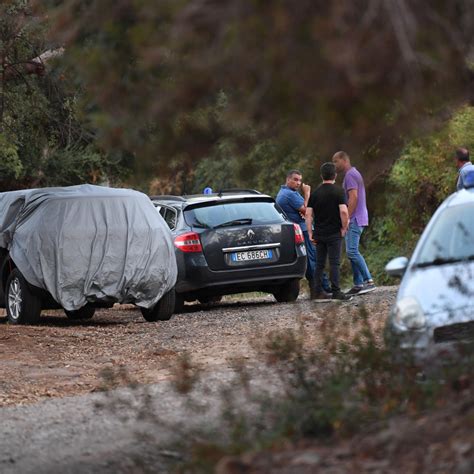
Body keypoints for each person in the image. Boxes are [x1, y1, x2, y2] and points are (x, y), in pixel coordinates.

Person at [276, 169, 330, 292]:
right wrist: (307, 194)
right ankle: (319, 290)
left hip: (300, 230)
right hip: (303, 231)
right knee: (313, 260)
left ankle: (322, 288)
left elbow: (305, 211)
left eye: (300, 180)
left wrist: (305, 211)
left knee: (313, 259)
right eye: (295, 180)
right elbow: (308, 211)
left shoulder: (286, 192)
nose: (298, 183)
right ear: (288, 179)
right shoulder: (289, 194)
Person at [305, 162, 351, 301]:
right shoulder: (339, 191)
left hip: (319, 233)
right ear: (335, 175)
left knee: (319, 264)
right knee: (334, 263)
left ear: (321, 176)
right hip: (334, 233)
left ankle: (316, 292)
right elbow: (343, 211)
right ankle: (336, 292)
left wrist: (310, 233)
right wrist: (344, 227)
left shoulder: (315, 193)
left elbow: (308, 215)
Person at [332, 151, 375, 296]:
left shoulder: (350, 175)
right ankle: (358, 284)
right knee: (352, 251)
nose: (334, 165)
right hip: (360, 217)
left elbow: (354, 198)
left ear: (344, 160)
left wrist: (347, 218)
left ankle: (369, 281)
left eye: (336, 161)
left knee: (352, 251)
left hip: (355, 218)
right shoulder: (354, 173)